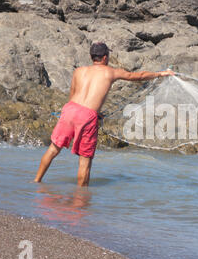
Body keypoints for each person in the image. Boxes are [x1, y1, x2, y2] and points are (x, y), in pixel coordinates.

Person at [34, 42, 174, 186]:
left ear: (92, 57)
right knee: (84, 160)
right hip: (87, 116)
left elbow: (73, 94)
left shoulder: (79, 71)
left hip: (69, 110)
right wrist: (161, 73)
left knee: (53, 149)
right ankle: (81, 198)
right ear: (105, 57)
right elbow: (138, 76)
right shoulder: (111, 72)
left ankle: (36, 181)